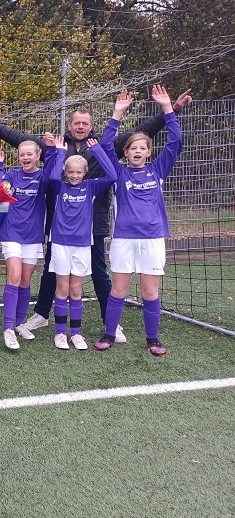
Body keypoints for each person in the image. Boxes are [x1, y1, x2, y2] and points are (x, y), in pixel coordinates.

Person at [0, 88, 192, 340]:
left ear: (91, 126)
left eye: (85, 123)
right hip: (59, 223)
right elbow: (21, 140)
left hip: (92, 222)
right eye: (76, 123)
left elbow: (141, 133)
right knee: (52, 270)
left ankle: (110, 322)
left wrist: (171, 110)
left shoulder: (100, 146)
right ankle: (41, 314)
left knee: (98, 272)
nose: (80, 126)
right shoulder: (58, 145)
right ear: (70, 125)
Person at [93, 87, 183, 356]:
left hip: (153, 238)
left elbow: (175, 142)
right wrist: (117, 113)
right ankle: (110, 334)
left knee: (150, 291)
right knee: (119, 289)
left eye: (142, 148)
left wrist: (167, 109)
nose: (137, 151)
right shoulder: (119, 173)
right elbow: (105, 146)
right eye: (133, 148)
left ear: (148, 152)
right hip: (124, 239)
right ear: (126, 151)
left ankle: (152, 339)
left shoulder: (158, 170)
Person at [45, 136, 116, 350]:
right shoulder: (59, 187)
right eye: (70, 172)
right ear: (65, 172)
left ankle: (76, 333)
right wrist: (59, 152)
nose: (74, 175)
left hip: (83, 245)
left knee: (75, 291)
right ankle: (60, 333)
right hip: (60, 244)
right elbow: (51, 176)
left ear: (85, 173)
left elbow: (112, 175)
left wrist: (98, 151)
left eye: (78, 172)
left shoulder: (91, 187)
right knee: (62, 289)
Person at [0, 134, 63, 351]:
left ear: (38, 156)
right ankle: (8, 328)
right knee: (14, 276)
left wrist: (53, 150)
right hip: (12, 233)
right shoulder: (12, 175)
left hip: (33, 236)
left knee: (25, 280)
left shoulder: (42, 178)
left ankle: (20, 323)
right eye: (22, 154)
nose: (25, 157)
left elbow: (53, 177)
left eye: (29, 154)